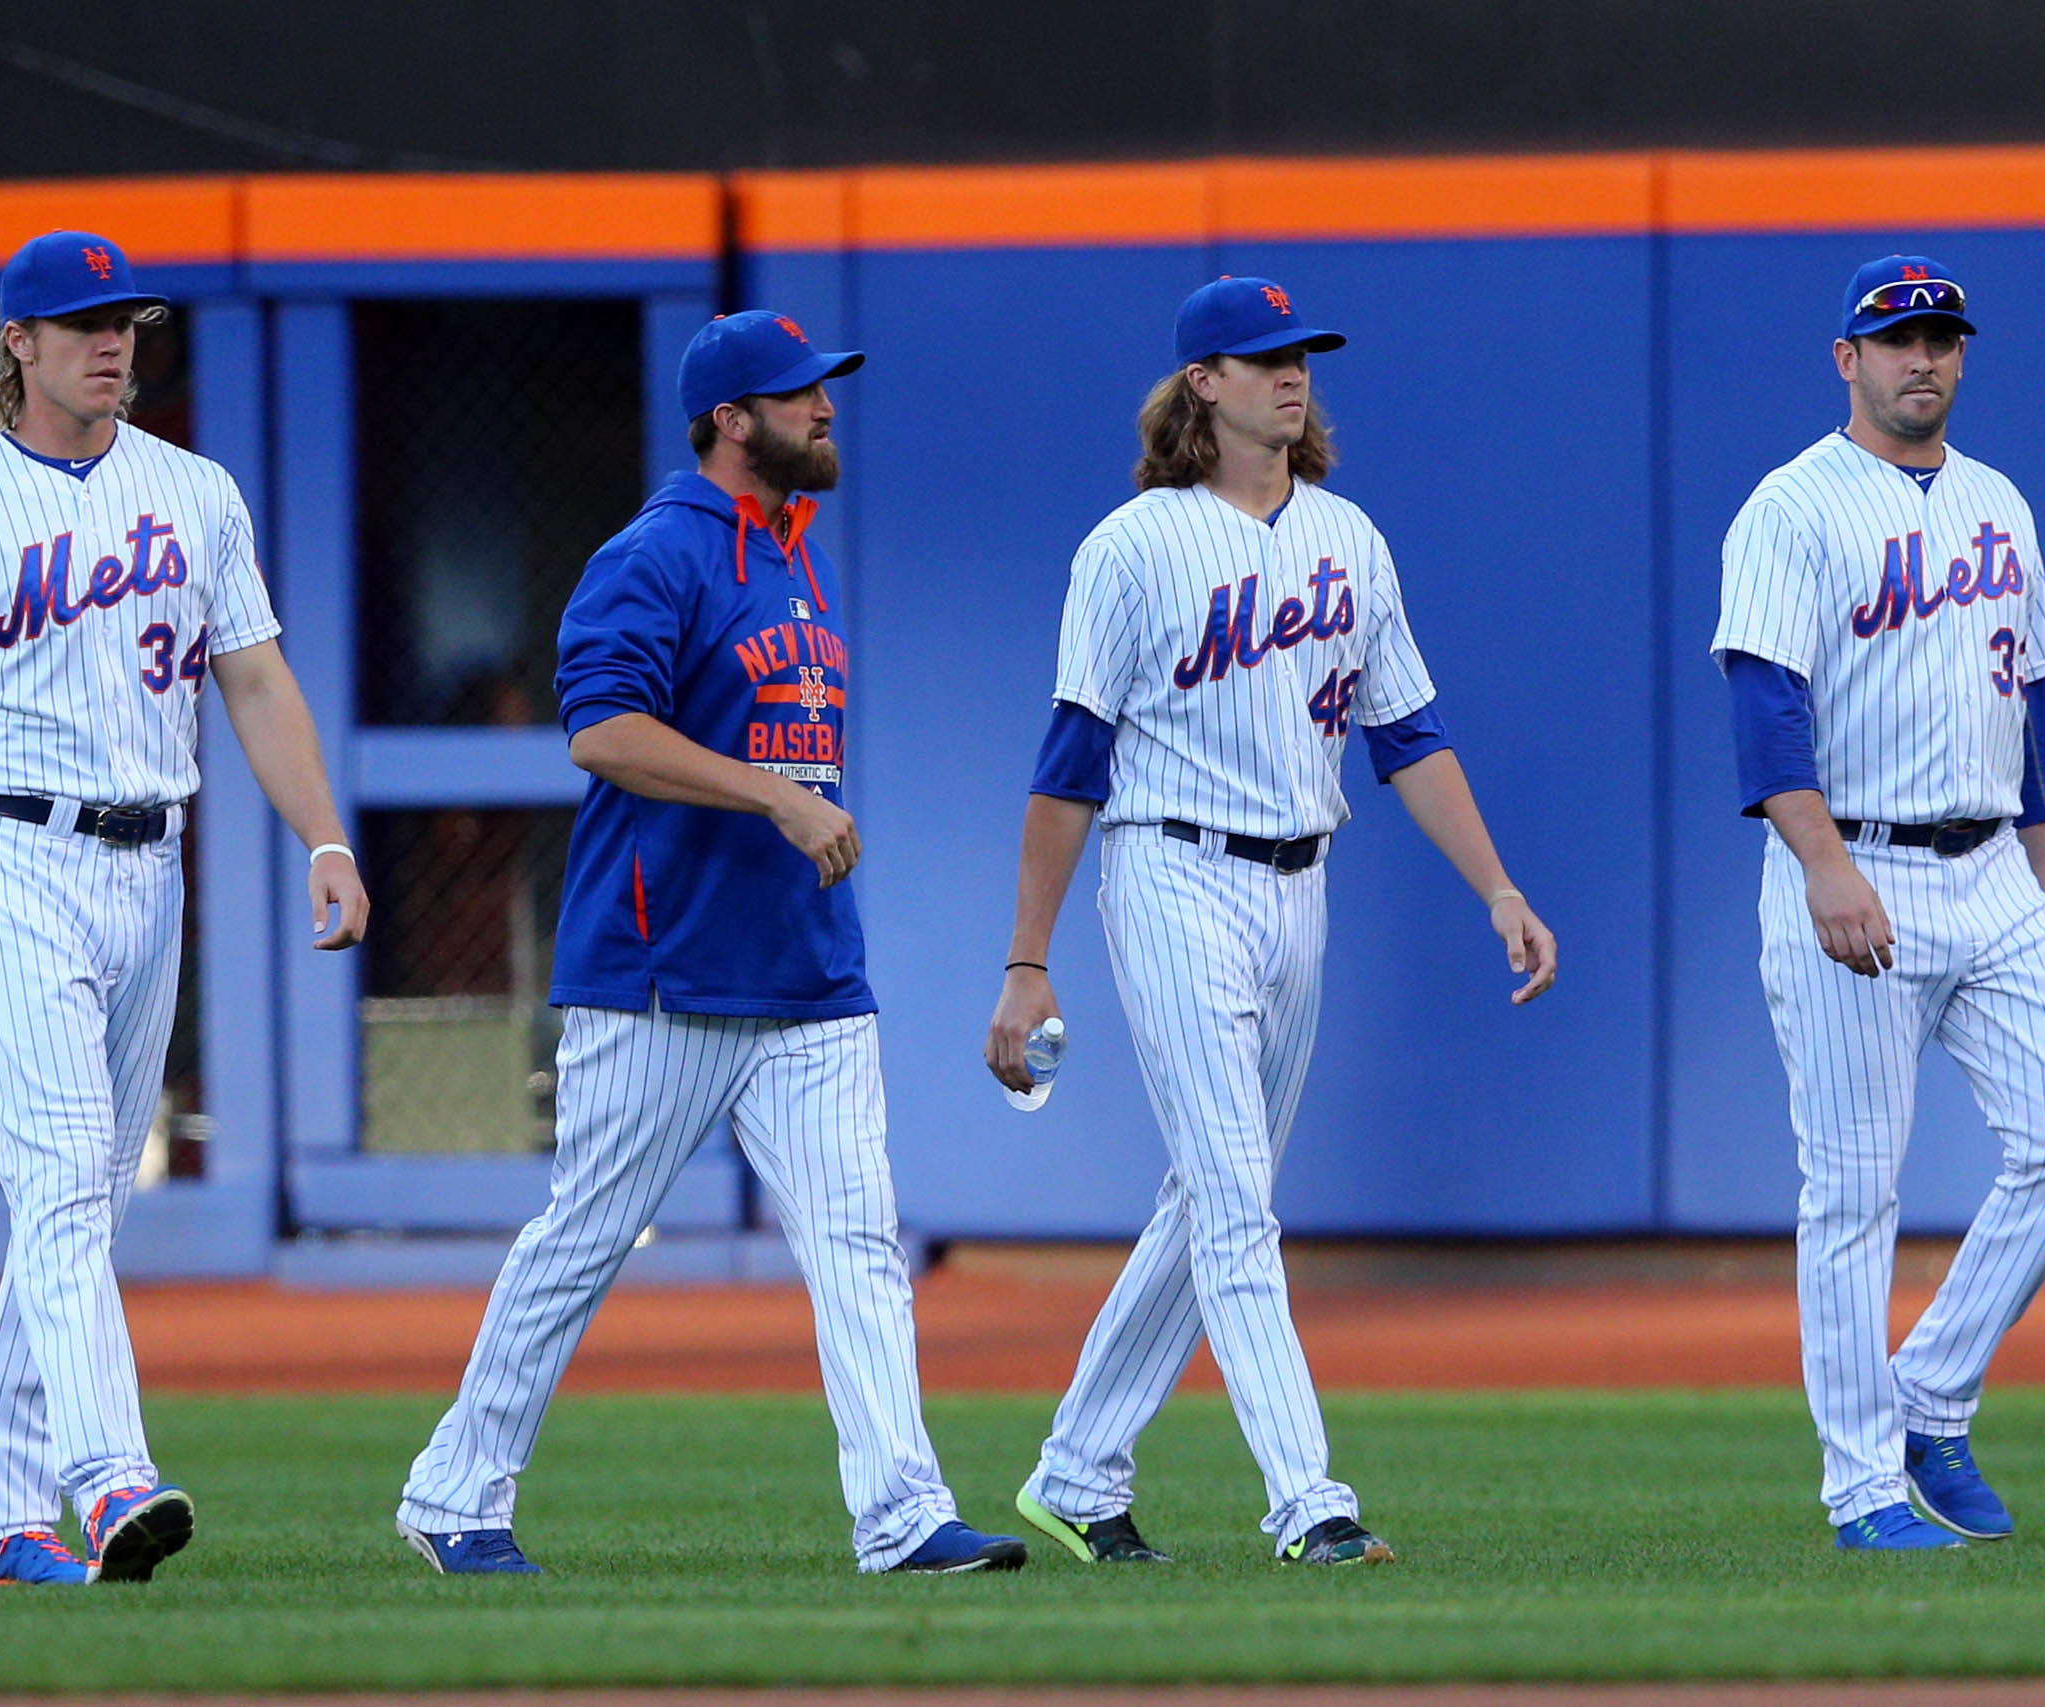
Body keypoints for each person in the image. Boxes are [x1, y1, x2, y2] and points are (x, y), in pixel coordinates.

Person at [394, 310, 1025, 1576]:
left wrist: (791, 807)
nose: (824, 408)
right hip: (661, 973)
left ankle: (902, 1513)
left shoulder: (797, 554)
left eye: (824, 389)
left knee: (858, 1246)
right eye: (798, 395)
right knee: (581, 1241)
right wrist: (775, 794)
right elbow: (602, 733)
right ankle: (452, 1495)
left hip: (807, 973)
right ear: (730, 419)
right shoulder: (657, 553)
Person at [984, 277, 1557, 1567]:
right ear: (1204, 385)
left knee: (1210, 1195)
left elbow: (1406, 735)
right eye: (1261, 358)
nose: (1291, 375)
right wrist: (1028, 960)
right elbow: (1071, 757)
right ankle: (1310, 1503)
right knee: (1239, 1201)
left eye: (1299, 355)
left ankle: (1075, 1473)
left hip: (1302, 887)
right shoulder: (1131, 547)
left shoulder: (1349, 538)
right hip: (1172, 871)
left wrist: (1498, 887)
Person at [0, 230, 369, 1586]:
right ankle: (107, 1473)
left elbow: (253, 677)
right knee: (68, 1180)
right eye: (81, 322)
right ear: (16, 344)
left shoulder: (195, 493)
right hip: (9, 860)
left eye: (126, 318)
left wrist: (324, 834)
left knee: (80, 1202)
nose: (113, 340)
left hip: (151, 867)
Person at [1712, 255, 2045, 1550]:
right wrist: (1824, 860)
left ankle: (1930, 1392)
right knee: (1852, 1189)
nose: (1922, 358)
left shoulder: (2001, 502)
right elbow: (1764, 703)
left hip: (1993, 866)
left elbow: (2036, 711)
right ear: (1848, 359)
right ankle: (1864, 1488)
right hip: (1855, 853)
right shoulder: (1791, 506)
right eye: (1896, 339)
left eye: (1941, 337)